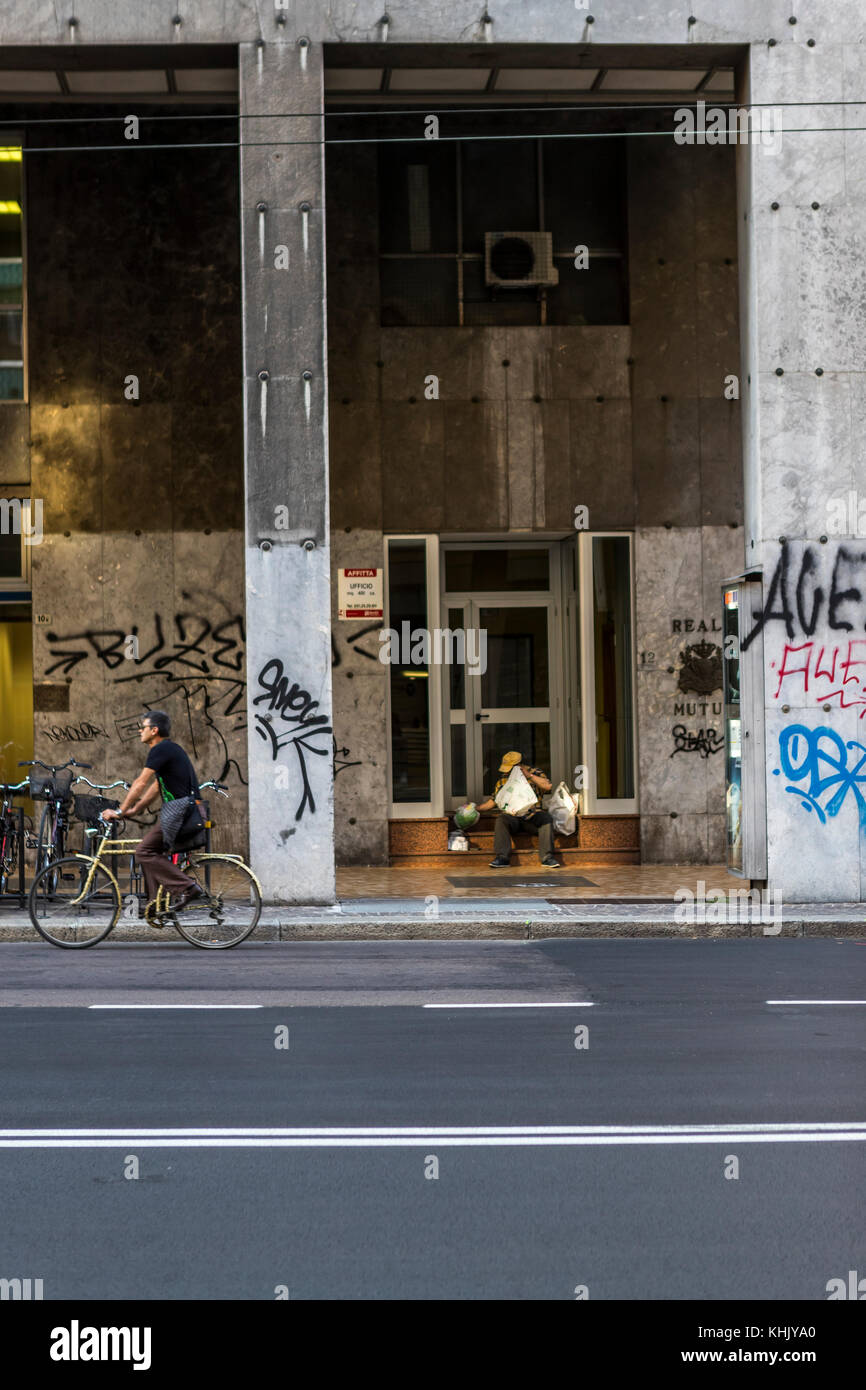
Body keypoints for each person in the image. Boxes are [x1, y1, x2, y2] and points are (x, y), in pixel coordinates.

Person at [102, 710, 203, 912]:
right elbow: (156, 787)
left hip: (180, 812)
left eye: (143, 727)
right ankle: (155, 904)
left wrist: (120, 811)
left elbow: (140, 783)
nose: (140, 731)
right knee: (150, 851)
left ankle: (188, 887)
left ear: (154, 730)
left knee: (144, 851)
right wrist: (135, 810)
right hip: (182, 811)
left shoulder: (161, 749)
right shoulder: (168, 750)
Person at [476, 750, 560, 869]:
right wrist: (477, 808)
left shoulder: (535, 773)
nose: (508, 771)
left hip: (532, 818)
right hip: (513, 819)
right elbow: (494, 800)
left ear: (519, 765)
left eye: (511, 768)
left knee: (546, 818)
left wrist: (529, 776)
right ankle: (502, 858)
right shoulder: (504, 779)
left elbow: (547, 785)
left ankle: (547, 858)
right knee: (501, 819)